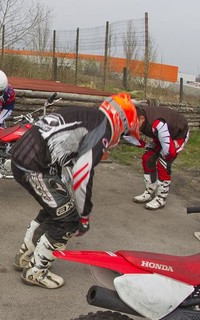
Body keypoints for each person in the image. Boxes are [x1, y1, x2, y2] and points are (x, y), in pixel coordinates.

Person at [10, 92, 140, 289]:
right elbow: (82, 173)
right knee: (69, 220)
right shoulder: (102, 129)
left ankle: (25, 254)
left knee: (55, 209)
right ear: (120, 121)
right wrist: (84, 215)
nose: (120, 139)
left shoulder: (88, 116)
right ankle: (36, 271)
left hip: (27, 158)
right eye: (124, 132)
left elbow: (72, 165)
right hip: (35, 165)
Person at [123, 104, 189, 210]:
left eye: (134, 124)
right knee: (147, 158)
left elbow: (168, 151)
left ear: (142, 119)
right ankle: (149, 191)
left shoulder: (157, 123)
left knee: (164, 161)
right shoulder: (132, 120)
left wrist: (164, 154)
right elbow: (126, 134)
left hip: (178, 134)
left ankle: (161, 198)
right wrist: (145, 145)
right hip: (162, 134)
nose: (132, 127)